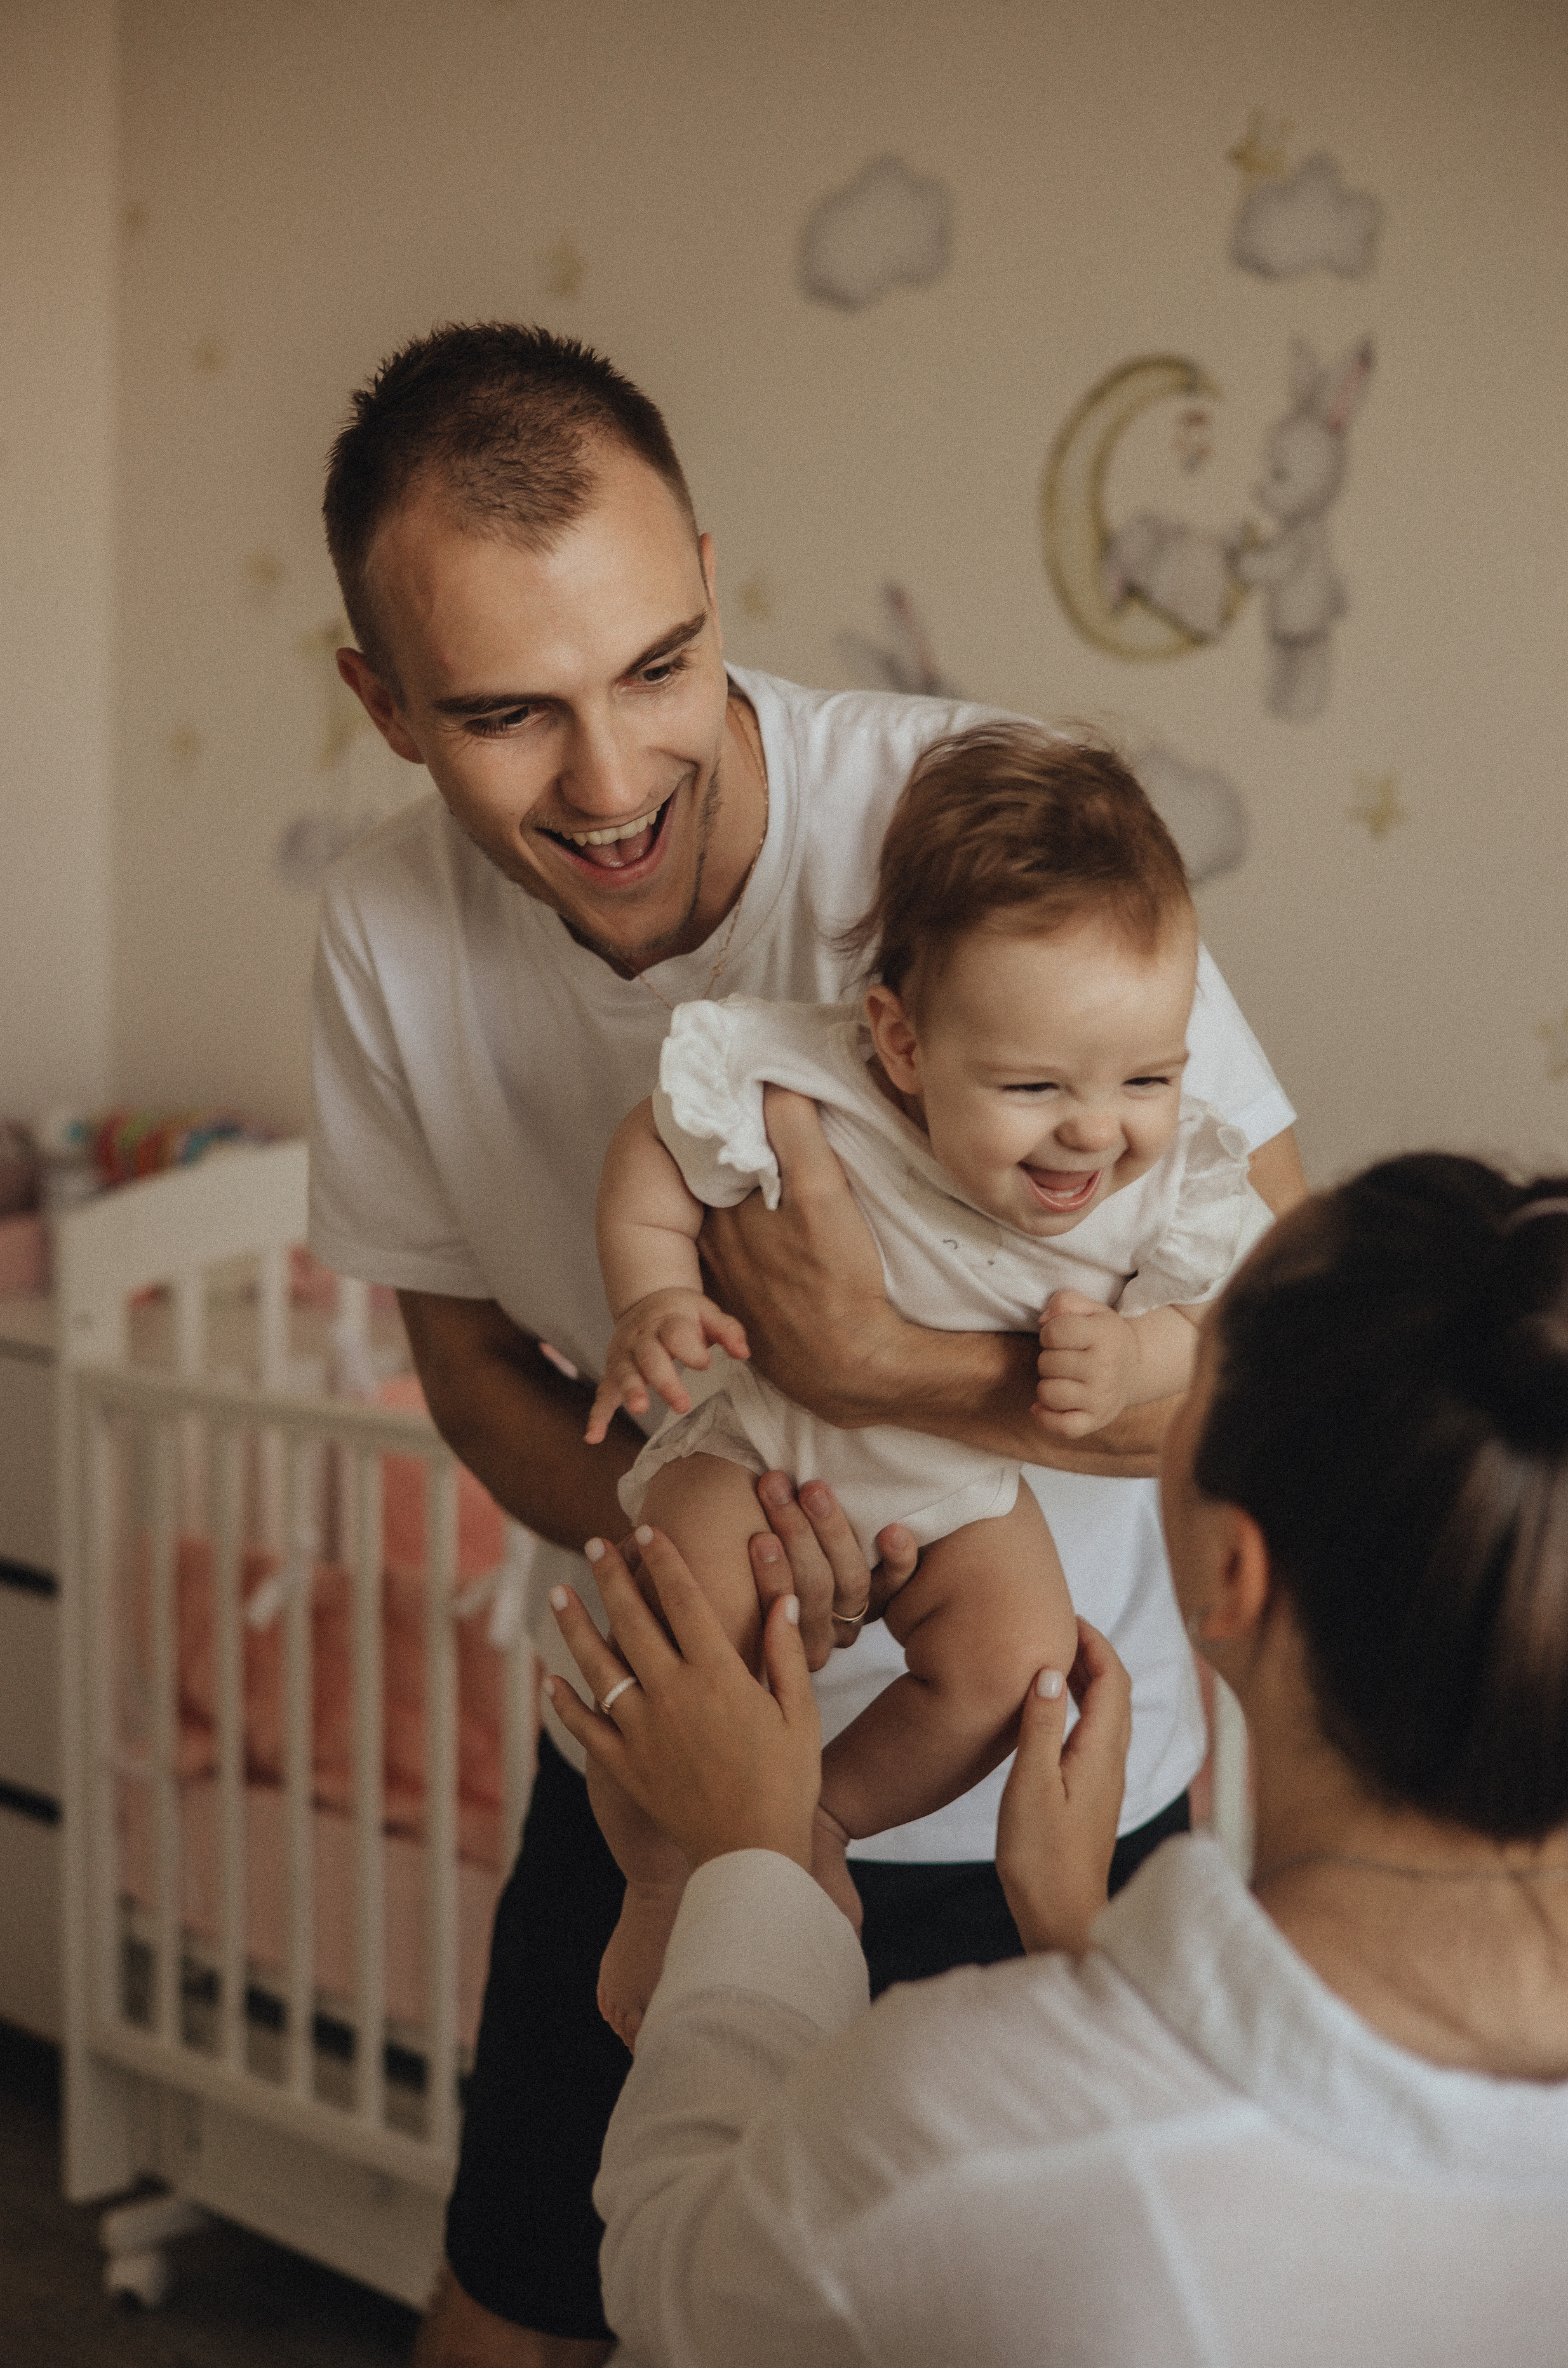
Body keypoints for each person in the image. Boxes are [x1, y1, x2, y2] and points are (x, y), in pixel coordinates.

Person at [306, 321, 1305, 2364]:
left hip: (1052, 1795)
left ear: (711, 587)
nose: (612, 780)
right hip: (671, 1773)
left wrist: (871, 1389)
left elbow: (1301, 1388)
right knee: (518, 2311)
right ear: (385, 709)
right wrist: (737, 1544)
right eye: (510, 713)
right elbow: (481, 1367)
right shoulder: (382, 936)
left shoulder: (980, 841)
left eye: (659, 667)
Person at [547, 1158, 1568, 2367]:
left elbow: (678, 2277)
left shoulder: (960, 2133)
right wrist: (1079, 1935)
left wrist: (753, 1859)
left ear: (1235, 1577)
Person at [584, 724, 1271, 2045]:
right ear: (898, 1040)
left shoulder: (1160, 1180)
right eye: (1030, 1085)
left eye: (1148, 1076)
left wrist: (1136, 1352)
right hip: (759, 1447)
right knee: (680, 1647)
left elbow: (1228, 1324)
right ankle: (669, 1877)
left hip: (952, 1489)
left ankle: (819, 1818)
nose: (1094, 1128)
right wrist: (654, 1294)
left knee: (1012, 1668)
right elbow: (653, 1152)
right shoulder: (811, 1085)